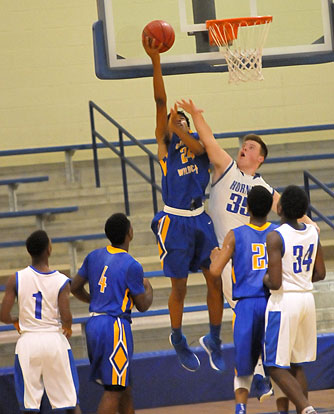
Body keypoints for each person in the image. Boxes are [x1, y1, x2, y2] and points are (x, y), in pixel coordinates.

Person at [176, 98, 318, 399]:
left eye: (251, 147)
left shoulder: (265, 189)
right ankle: (256, 372)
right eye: (244, 145)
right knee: (244, 311)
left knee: (257, 313)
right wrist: (197, 115)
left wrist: (313, 225)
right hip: (224, 253)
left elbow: (293, 210)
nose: (245, 148)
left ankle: (241, 359)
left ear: (261, 158)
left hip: (250, 259)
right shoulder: (226, 169)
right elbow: (210, 142)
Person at [142, 38, 224, 373]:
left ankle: (215, 338)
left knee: (215, 279)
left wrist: (183, 123)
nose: (174, 121)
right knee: (179, 286)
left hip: (200, 218)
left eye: (181, 120)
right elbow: (161, 101)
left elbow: (203, 149)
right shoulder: (166, 150)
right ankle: (177, 338)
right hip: (175, 221)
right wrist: (156, 60)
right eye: (172, 122)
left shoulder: (198, 145)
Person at [70, 213, 153, 414]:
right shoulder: (132, 265)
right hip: (115, 328)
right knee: (114, 389)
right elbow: (142, 305)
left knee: (124, 385)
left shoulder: (94, 256)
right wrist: (149, 288)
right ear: (129, 233)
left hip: (94, 324)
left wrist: (95, 301)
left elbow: (75, 287)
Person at [210, 186, 277, 414]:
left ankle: (241, 409)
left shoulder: (235, 234)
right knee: (282, 364)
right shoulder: (279, 232)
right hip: (274, 303)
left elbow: (216, 271)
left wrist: (214, 257)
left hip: (247, 305)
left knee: (243, 366)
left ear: (246, 207)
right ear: (270, 208)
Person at [0, 230, 81, 414]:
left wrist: (14, 320)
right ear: (49, 250)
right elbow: (66, 315)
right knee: (70, 402)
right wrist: (67, 327)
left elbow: (3, 315)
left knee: (30, 406)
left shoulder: (16, 278)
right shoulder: (61, 280)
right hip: (54, 341)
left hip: (28, 343)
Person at [263, 185, 326, 414]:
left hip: (284, 302)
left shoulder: (275, 236)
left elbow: (276, 281)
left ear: (278, 208)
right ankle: (304, 410)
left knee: (273, 365)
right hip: (307, 300)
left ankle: (307, 409)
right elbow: (320, 273)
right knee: (295, 363)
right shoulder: (312, 232)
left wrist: (265, 278)